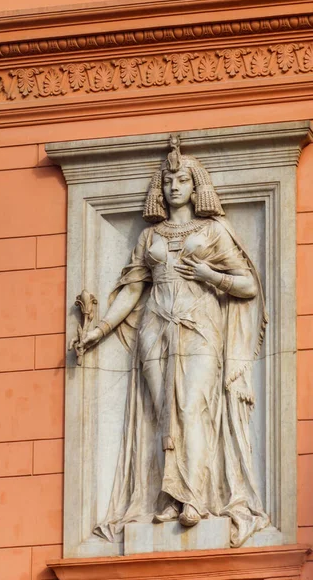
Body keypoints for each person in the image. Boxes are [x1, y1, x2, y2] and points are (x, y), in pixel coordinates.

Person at [78, 136, 269, 547]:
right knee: (163, 414)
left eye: (182, 179)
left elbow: (248, 285)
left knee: (191, 407)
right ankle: (167, 496)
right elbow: (131, 290)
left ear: (195, 185)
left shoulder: (213, 231)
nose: (174, 186)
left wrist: (209, 276)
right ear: (160, 190)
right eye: (167, 181)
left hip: (199, 326)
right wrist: (100, 329)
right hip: (154, 328)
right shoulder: (150, 237)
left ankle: (195, 497)